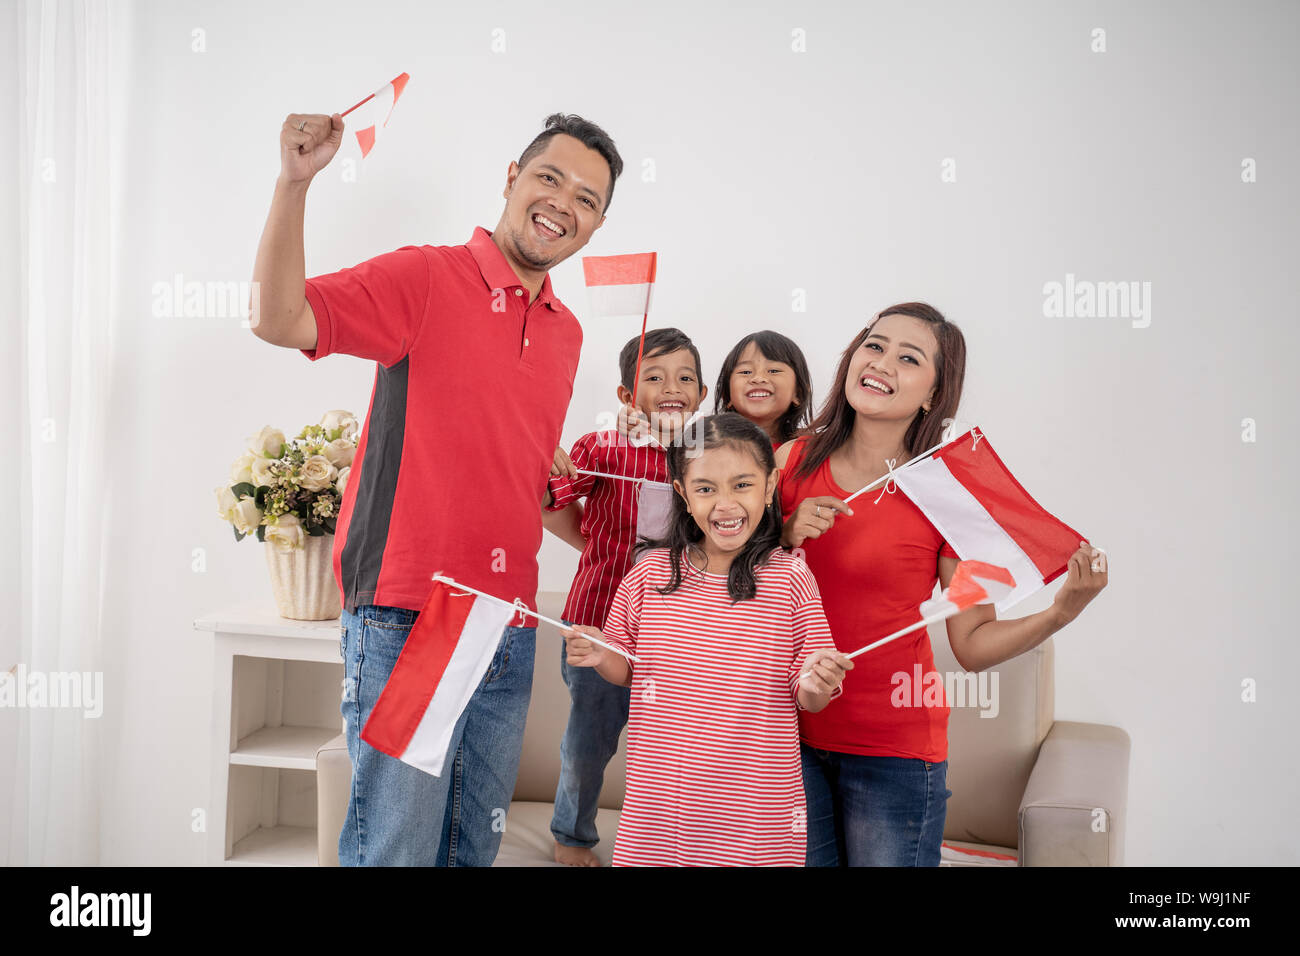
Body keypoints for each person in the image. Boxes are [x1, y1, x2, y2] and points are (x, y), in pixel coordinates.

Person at [248, 110, 623, 866]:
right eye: (549, 177)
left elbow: (522, 475)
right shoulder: (426, 277)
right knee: (399, 851)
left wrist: (626, 545)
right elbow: (277, 319)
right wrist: (294, 184)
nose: (563, 203)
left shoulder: (566, 331)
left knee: (466, 856)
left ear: (596, 223)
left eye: (587, 198)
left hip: (508, 625)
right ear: (512, 179)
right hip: (409, 614)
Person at [776, 302, 1109, 866]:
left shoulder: (948, 500)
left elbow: (972, 645)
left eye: (909, 358)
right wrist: (784, 535)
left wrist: (1061, 611)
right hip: (785, 736)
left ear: (933, 394)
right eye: (874, 345)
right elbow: (726, 581)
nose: (882, 363)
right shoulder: (790, 459)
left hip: (894, 753)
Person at [562, 413, 853, 866]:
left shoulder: (791, 576)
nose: (725, 504)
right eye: (705, 488)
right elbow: (626, 669)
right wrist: (601, 653)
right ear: (682, 492)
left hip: (756, 817)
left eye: (742, 485)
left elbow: (810, 695)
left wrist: (818, 681)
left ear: (770, 486)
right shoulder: (649, 573)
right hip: (657, 814)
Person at [541, 328, 707, 866]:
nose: (671, 387)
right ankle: (571, 836)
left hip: (680, 632)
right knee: (588, 740)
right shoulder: (604, 447)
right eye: (653, 378)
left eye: (685, 378)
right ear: (625, 396)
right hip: (599, 621)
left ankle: (670, 842)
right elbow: (551, 498)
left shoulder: (710, 457)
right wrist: (545, 458)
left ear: (703, 395)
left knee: (674, 751)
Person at [713, 331, 813, 447]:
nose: (758, 378)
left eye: (773, 371)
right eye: (745, 371)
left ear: (798, 393)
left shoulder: (811, 450)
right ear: (727, 395)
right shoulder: (708, 447)